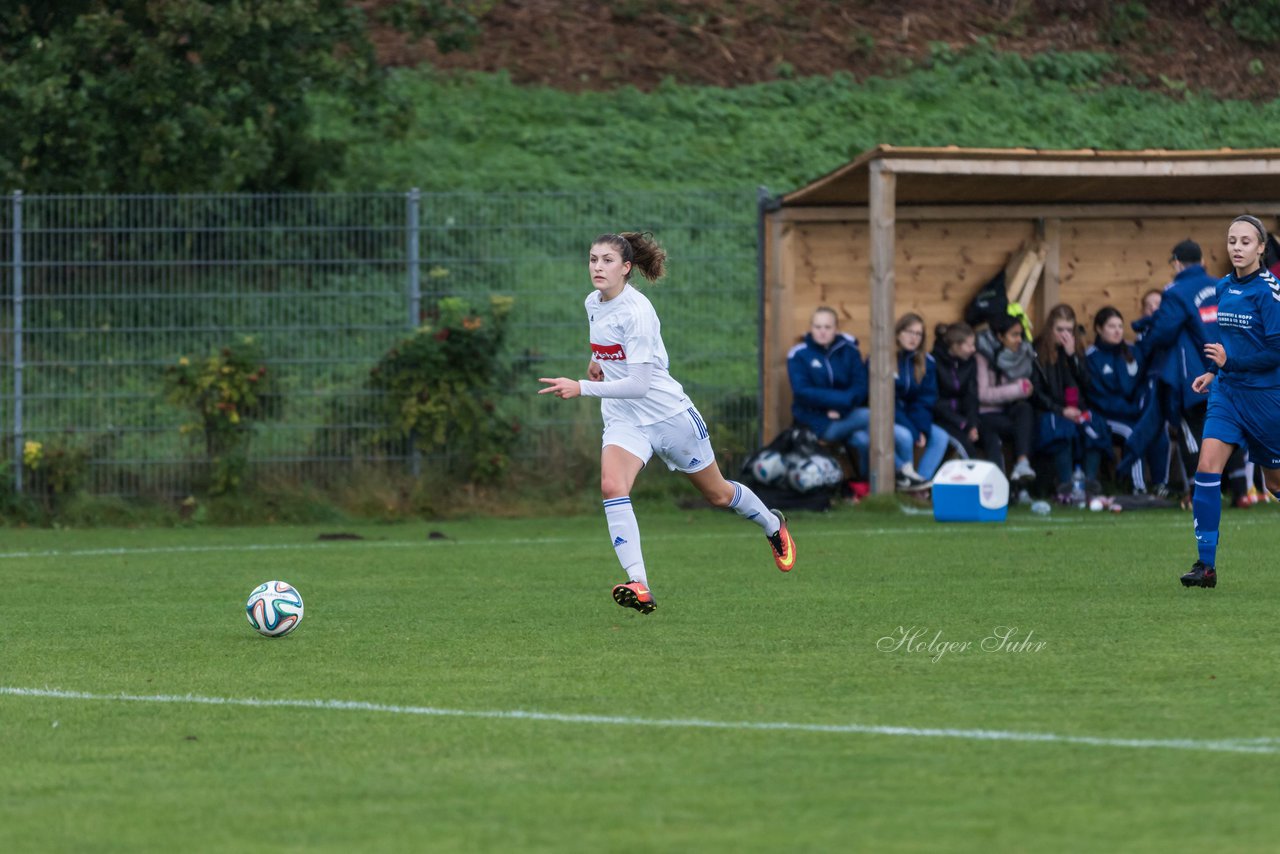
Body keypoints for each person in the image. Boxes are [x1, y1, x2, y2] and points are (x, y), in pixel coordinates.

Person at [538, 232, 796, 614]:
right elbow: (609, 348)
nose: (597, 267)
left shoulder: (638, 311)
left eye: (607, 260)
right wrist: (597, 363)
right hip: (625, 419)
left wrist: (581, 387)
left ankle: (773, 526)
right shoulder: (592, 302)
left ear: (626, 269)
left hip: (668, 416)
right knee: (612, 486)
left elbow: (641, 384)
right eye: (593, 259)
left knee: (718, 495)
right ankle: (639, 584)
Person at [1180, 215, 1280, 589]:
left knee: (1273, 483)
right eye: (1231, 241)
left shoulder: (1269, 292)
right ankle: (1206, 566)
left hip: (1265, 399)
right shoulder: (1223, 287)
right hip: (1227, 393)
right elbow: (1226, 342)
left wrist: (1230, 363)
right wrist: (1213, 371)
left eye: (1245, 241)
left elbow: (1277, 351)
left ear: (1260, 248)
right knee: (1207, 468)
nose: (1237, 247)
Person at [1135, 239, 1248, 504]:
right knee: (1230, 429)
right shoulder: (1223, 286)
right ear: (1203, 262)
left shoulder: (1176, 291)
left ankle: (1201, 493)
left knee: (1192, 432)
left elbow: (1164, 331)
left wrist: (1145, 340)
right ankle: (1242, 492)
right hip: (1231, 371)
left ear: (1176, 263)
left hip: (1197, 375)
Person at [785, 306, 924, 489]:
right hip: (817, 422)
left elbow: (860, 387)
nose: (822, 332)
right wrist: (834, 405)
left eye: (827, 327)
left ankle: (871, 487)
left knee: (870, 439)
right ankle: (904, 473)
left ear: (836, 328)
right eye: (818, 327)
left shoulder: (849, 350)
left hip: (848, 416)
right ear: (811, 327)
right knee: (869, 415)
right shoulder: (799, 354)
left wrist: (841, 407)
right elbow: (803, 392)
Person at [1085, 306, 1169, 494]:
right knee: (1133, 433)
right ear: (1099, 329)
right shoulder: (1092, 357)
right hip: (1106, 417)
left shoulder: (1132, 351)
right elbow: (1098, 397)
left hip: (1134, 412)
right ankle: (1138, 487)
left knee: (1158, 428)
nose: (1117, 331)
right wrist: (1133, 411)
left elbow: (1142, 384)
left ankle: (1160, 485)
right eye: (1111, 326)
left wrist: (1142, 407)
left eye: (1120, 326)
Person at [1031, 304, 1112, 500]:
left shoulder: (1078, 350)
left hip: (1078, 409)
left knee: (1095, 426)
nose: (1065, 335)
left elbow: (1087, 385)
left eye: (1069, 329)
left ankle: (1089, 484)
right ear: (1051, 328)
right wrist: (1060, 410)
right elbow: (1036, 392)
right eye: (1060, 330)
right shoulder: (1037, 350)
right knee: (1061, 428)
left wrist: (1072, 357)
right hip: (1051, 410)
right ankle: (1066, 485)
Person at [975, 313, 1037, 484]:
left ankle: (1022, 465)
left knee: (1026, 411)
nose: (1019, 340)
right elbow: (983, 394)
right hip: (984, 415)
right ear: (1000, 336)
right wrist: (1018, 389)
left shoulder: (1020, 354)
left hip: (1006, 412)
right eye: (1014, 335)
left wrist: (1025, 388)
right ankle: (1004, 487)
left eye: (1020, 335)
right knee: (996, 436)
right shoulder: (983, 357)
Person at [889, 313, 949, 482]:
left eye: (918, 334)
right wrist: (914, 432)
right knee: (905, 436)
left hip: (913, 417)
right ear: (898, 333)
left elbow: (926, 399)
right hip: (891, 417)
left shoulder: (927, 362)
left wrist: (921, 428)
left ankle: (920, 483)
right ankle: (906, 481)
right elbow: (889, 403)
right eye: (909, 332)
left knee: (940, 437)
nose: (913, 338)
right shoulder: (884, 358)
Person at [931, 322, 980, 460]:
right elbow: (935, 401)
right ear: (955, 345)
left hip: (962, 418)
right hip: (940, 418)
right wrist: (962, 423)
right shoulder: (934, 361)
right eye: (969, 345)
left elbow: (972, 395)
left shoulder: (970, 362)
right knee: (965, 448)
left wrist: (972, 424)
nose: (973, 349)